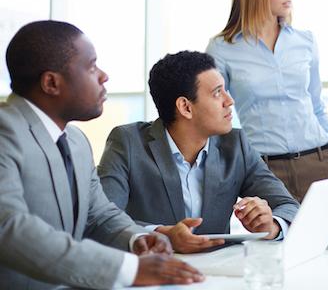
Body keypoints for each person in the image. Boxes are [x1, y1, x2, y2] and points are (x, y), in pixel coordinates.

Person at [0, 21, 202, 289]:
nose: (103, 76)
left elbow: (98, 214)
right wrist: (128, 269)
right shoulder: (6, 131)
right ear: (51, 82)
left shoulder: (76, 141)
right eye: (92, 66)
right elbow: (10, 229)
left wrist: (135, 238)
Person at [98, 51, 299, 253]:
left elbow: (288, 206)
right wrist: (161, 234)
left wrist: (270, 225)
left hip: (220, 272)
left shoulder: (235, 144)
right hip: (152, 269)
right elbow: (102, 218)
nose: (230, 101)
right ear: (185, 107)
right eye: (217, 93)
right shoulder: (127, 142)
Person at [206, 0, 328, 202]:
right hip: (265, 170)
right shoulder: (222, 49)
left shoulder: (305, 41)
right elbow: (215, 117)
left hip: (321, 162)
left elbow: (316, 105)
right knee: (272, 241)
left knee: (327, 243)